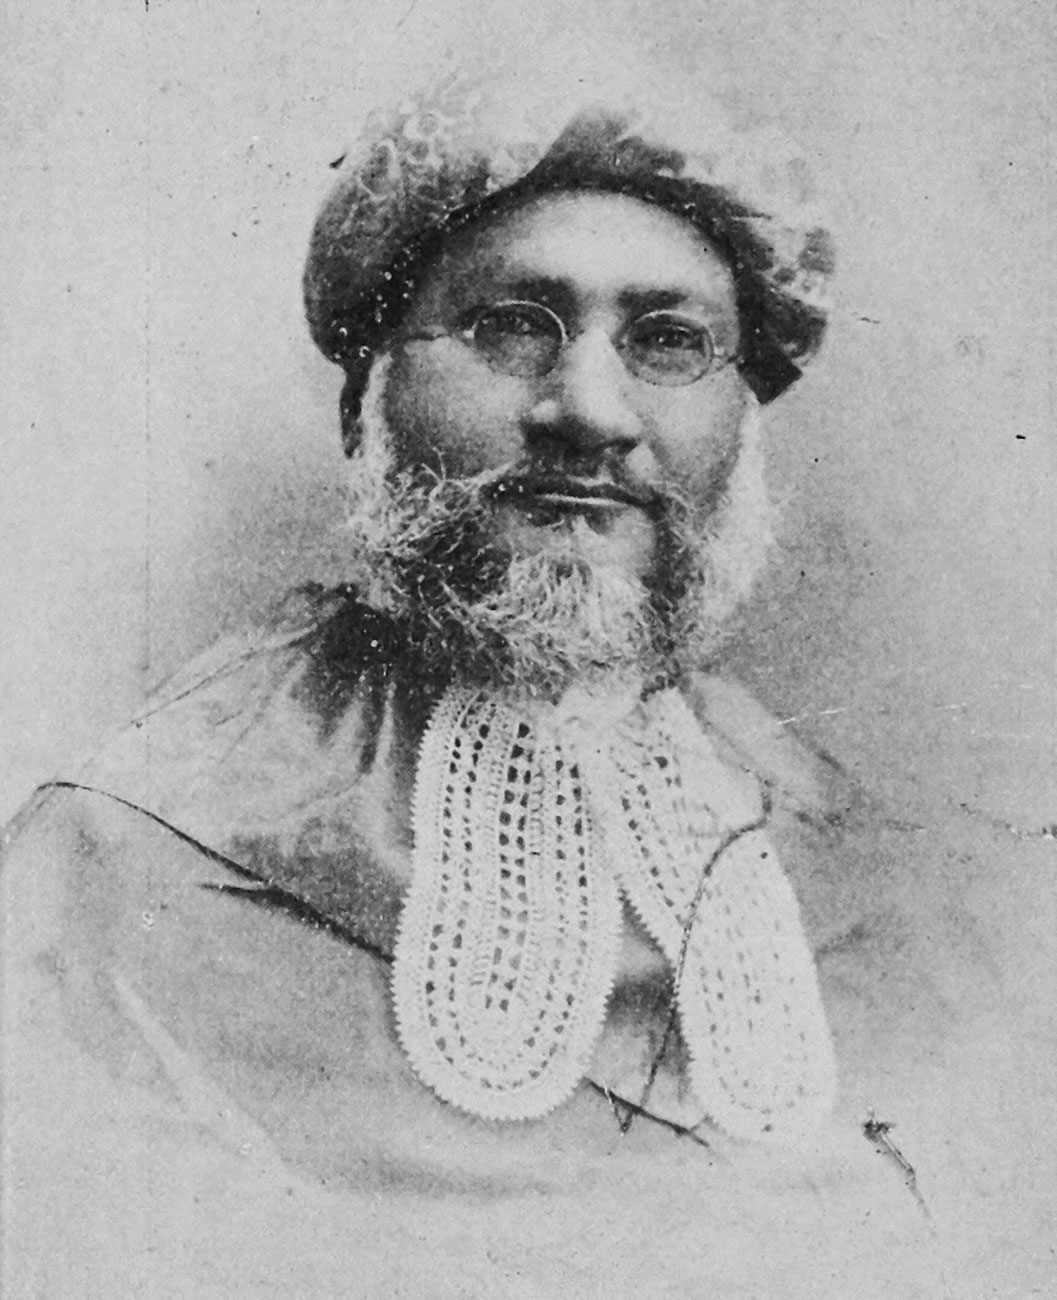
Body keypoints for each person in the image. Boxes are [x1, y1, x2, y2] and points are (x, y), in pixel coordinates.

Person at [0, 72, 995, 1298]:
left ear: (742, 417)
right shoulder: (120, 852)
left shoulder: (881, 870)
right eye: (510, 326)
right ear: (367, 402)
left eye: (667, 341)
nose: (589, 411)